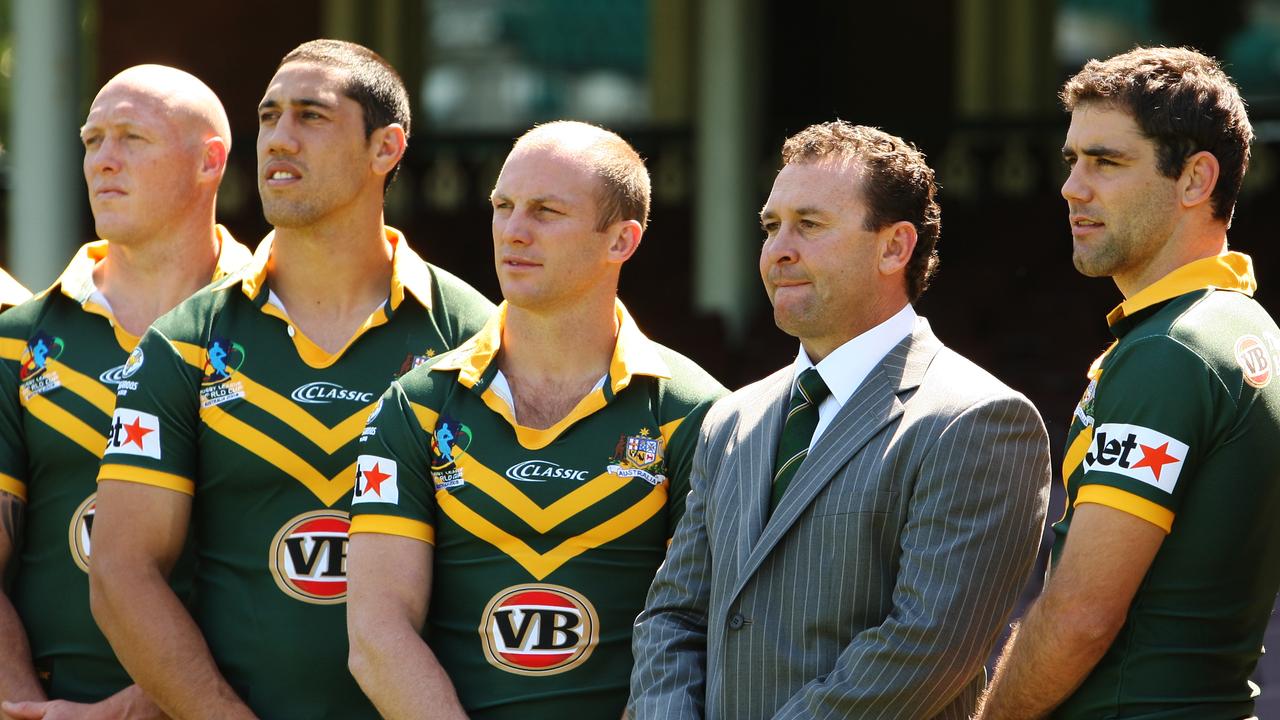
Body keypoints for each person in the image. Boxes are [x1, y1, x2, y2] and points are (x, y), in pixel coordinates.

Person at [89, 40, 494, 720]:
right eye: (269, 116)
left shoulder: (471, 335)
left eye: (311, 117)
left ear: (386, 148)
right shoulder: (187, 341)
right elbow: (120, 576)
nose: (278, 139)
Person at [629, 121, 1051, 720]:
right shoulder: (731, 418)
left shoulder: (978, 420)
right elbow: (674, 615)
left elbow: (926, 648)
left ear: (894, 247)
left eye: (810, 224)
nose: (779, 249)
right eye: (771, 226)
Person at [344, 120, 726, 719]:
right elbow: (376, 635)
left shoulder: (695, 413)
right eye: (503, 206)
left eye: (546, 212)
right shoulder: (416, 403)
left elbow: (702, 640)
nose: (513, 232)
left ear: (621, 241)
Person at [979, 46, 1280, 720]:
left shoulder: (1173, 353)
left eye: (1106, 162)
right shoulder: (1243, 328)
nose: (1072, 188)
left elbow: (1082, 614)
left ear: (1196, 179)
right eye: (1072, 161)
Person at [0, 65, 250, 718]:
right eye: (92, 141)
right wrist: (31, 712)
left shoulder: (285, 333)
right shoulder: (15, 339)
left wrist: (164, 701)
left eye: (132, 139)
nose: (103, 161)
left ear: (209, 162)